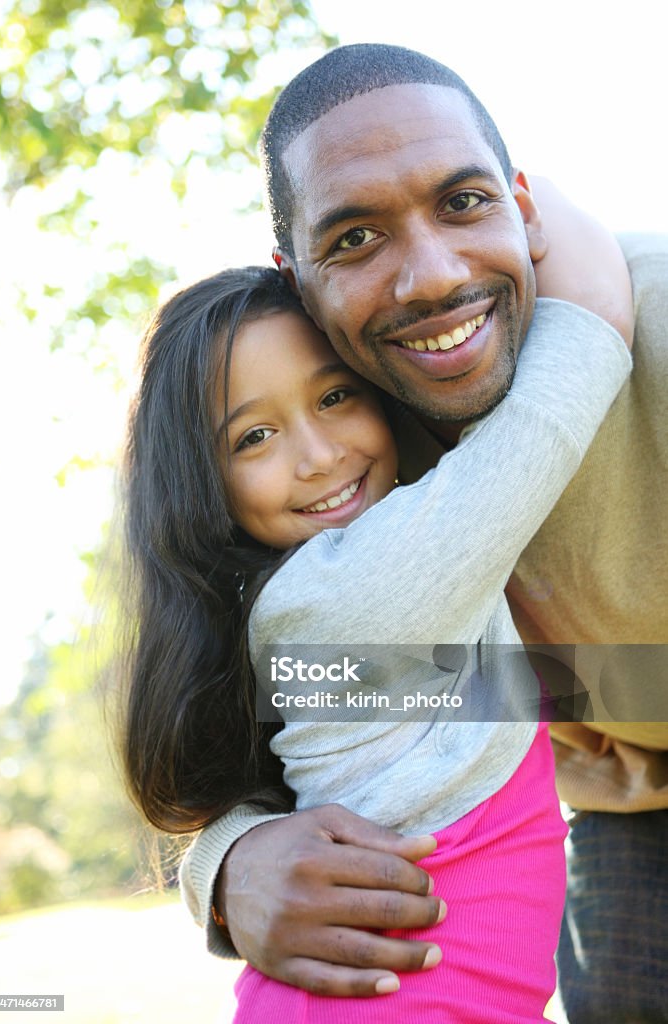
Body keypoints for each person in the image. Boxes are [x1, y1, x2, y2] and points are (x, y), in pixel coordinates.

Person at [179, 44, 668, 1024]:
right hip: (625, 795)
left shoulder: (639, 318)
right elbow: (300, 698)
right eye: (355, 237)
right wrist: (229, 860)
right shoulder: (341, 440)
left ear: (519, 209)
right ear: (298, 275)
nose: (430, 278)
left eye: (461, 203)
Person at [120, 252, 630, 1022]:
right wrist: (516, 200)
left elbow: (543, 681)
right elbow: (586, 336)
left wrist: (217, 860)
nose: (319, 455)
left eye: (335, 396)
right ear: (203, 483)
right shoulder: (356, 589)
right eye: (253, 436)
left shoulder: (322, 616)